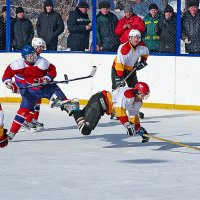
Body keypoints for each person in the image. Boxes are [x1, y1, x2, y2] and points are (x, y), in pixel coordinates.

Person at [2, 44, 78, 141]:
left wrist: (45, 79)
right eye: (29, 56)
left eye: (33, 54)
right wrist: (11, 84)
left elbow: (52, 71)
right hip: (29, 92)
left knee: (64, 100)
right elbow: (6, 76)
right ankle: (12, 133)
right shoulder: (17, 65)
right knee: (23, 111)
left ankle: (76, 114)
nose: (33, 57)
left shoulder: (42, 62)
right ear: (24, 57)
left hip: (45, 88)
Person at [71, 82, 150, 143]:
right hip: (98, 102)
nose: (144, 98)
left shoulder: (138, 101)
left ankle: (75, 109)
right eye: (143, 95)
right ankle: (73, 108)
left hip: (101, 105)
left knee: (81, 116)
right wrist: (127, 125)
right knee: (85, 130)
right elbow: (119, 110)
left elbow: (133, 116)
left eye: (146, 96)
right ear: (137, 92)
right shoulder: (128, 95)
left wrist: (139, 129)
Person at [111, 29, 149, 119]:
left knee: (136, 90)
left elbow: (146, 53)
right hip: (118, 69)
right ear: (129, 38)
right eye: (134, 37)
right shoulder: (124, 48)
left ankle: (134, 110)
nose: (136, 39)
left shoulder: (142, 47)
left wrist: (143, 61)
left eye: (137, 38)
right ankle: (114, 111)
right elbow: (120, 64)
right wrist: (120, 78)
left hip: (131, 69)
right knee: (117, 90)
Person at [20, 37, 47, 132]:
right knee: (29, 102)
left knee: (37, 101)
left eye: (43, 47)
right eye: (40, 47)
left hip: (34, 83)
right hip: (26, 83)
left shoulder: (38, 57)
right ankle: (24, 122)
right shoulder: (29, 55)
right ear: (35, 47)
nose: (42, 49)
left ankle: (32, 120)